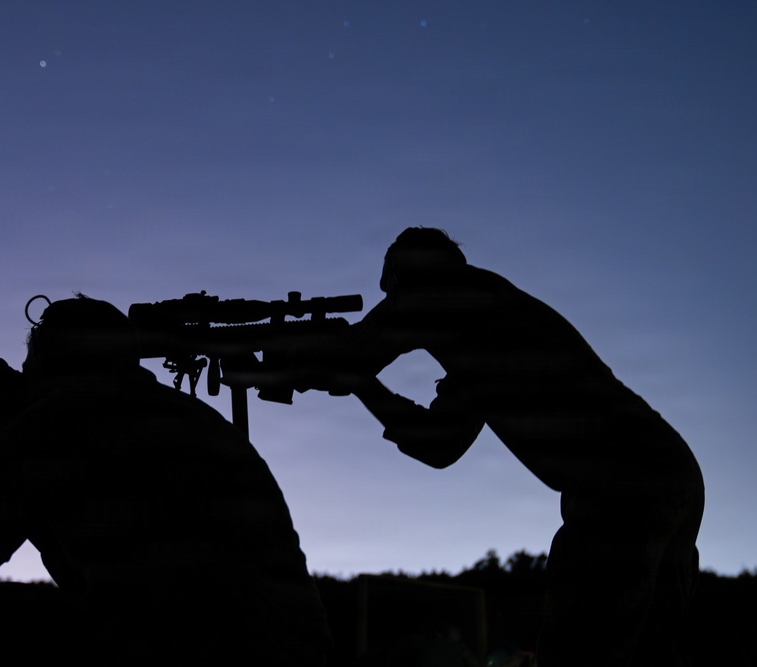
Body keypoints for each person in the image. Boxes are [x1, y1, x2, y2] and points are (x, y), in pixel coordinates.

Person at [296, 227, 704, 667]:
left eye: (387, 284)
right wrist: (359, 383)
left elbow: (355, 353)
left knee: (579, 652)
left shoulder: (443, 293)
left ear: (407, 273)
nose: (382, 296)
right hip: (668, 468)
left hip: (618, 479)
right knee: (655, 652)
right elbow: (439, 444)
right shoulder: (487, 328)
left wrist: (321, 358)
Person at [0, 294, 330, 665]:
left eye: (28, 363)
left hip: (200, 654)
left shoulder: (59, 423)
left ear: (47, 363)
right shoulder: (187, 416)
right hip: (289, 652)